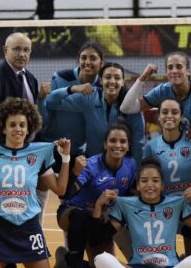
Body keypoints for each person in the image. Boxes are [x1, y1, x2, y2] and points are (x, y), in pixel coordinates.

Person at [0, 97, 71, 268]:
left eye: (22, 125)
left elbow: (60, 189)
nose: (18, 129)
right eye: (12, 125)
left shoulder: (39, 153)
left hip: (29, 225)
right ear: (3, 128)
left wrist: (66, 158)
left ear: (28, 127)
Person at [92, 158, 191, 268]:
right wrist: (98, 205)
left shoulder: (176, 203)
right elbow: (97, 238)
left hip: (169, 265)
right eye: (144, 181)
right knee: (101, 259)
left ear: (162, 185)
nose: (150, 185)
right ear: (138, 186)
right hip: (139, 265)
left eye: (155, 181)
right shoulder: (125, 204)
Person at [54, 123, 137, 268]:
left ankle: (65, 260)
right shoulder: (91, 165)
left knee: (100, 264)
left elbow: (132, 197)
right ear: (105, 144)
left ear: (128, 146)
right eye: (112, 141)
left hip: (99, 220)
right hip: (72, 213)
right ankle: (73, 262)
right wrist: (75, 172)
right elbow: (67, 194)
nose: (117, 145)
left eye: (123, 141)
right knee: (80, 215)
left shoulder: (131, 166)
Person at [142, 98, 191, 265]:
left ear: (182, 117)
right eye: (164, 112)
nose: (169, 116)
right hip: (165, 213)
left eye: (174, 112)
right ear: (158, 117)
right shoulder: (151, 147)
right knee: (163, 263)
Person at [41, 62, 145, 163]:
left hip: (122, 165)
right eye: (107, 77)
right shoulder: (89, 97)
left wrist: (136, 171)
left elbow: (138, 143)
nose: (112, 81)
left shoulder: (132, 105)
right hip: (93, 163)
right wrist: (72, 89)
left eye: (117, 78)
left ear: (123, 82)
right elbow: (51, 102)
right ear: (100, 80)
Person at [120, 51, 191, 138]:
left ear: (188, 71)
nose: (174, 71)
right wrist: (142, 78)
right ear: (166, 72)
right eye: (170, 68)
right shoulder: (162, 91)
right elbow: (126, 108)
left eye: (179, 67)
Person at [39, 42, 104, 176]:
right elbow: (49, 103)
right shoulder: (62, 77)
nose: (87, 62)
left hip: (79, 152)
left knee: (72, 194)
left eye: (93, 58)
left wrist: (64, 99)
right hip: (51, 146)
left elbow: (57, 101)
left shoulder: (103, 85)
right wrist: (72, 89)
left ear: (102, 63)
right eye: (83, 57)